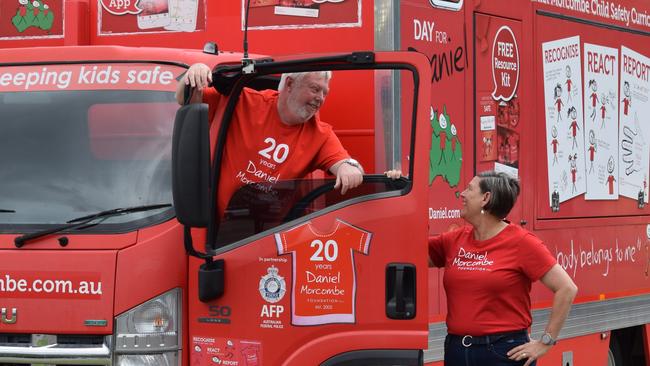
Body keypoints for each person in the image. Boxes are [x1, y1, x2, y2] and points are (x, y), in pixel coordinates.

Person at [390, 170, 577, 366]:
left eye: (469, 189)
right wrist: (397, 191)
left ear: (486, 198)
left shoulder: (522, 242)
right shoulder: (454, 240)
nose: (462, 194)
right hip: (457, 350)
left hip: (503, 352)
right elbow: (408, 251)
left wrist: (545, 342)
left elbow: (567, 288)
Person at [177, 63, 365, 215]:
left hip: (268, 239)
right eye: (315, 89)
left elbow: (345, 164)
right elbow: (184, 98)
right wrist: (194, 74)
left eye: (325, 93)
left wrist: (350, 168)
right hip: (217, 231)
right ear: (290, 84)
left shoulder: (320, 134)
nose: (320, 98)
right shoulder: (243, 101)